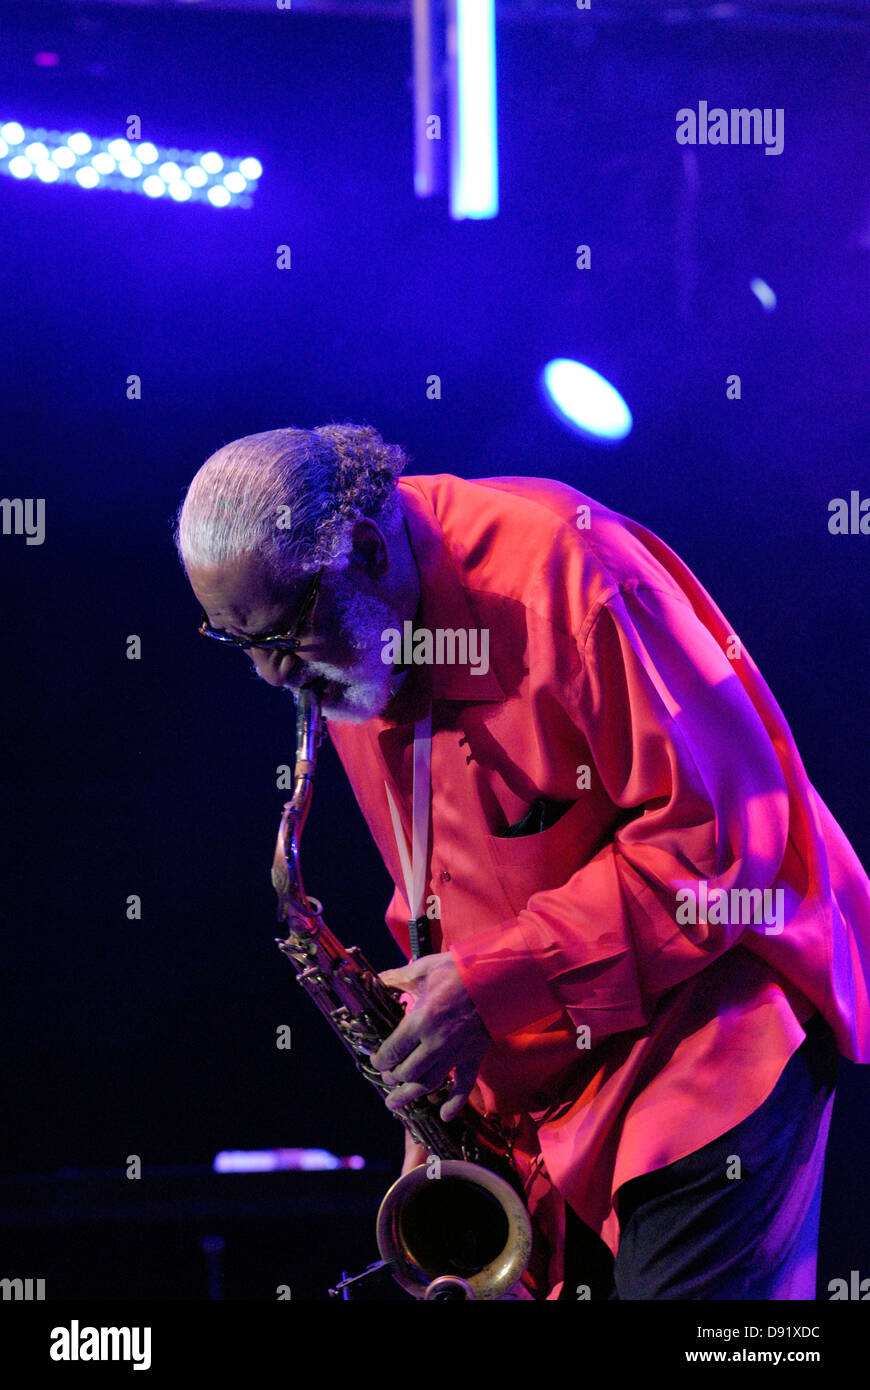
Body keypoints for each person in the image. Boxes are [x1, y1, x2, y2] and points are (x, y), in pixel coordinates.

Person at [174, 422, 870, 1300]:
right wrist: (436, 1087)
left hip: (712, 1035)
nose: (274, 675)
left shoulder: (574, 580)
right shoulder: (357, 646)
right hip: (553, 1078)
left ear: (362, 546)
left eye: (285, 632)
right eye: (239, 644)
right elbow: (442, 882)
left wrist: (495, 981)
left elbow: (728, 842)